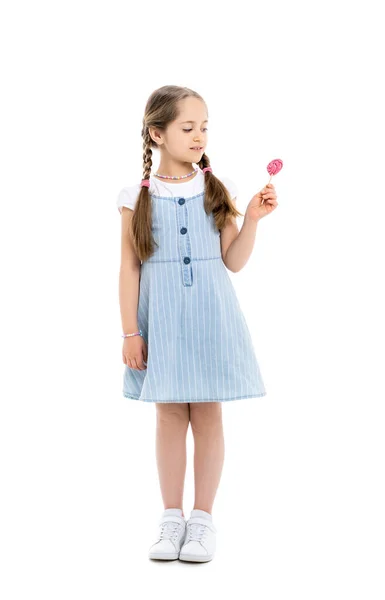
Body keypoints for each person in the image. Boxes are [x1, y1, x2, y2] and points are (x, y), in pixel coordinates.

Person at [116, 85, 278, 562]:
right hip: (162, 320)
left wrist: (251, 219)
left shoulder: (214, 188)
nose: (199, 136)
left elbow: (234, 261)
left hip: (211, 316)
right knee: (168, 414)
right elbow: (129, 268)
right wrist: (131, 331)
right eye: (188, 127)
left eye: (204, 127)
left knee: (207, 412)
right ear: (157, 134)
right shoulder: (134, 197)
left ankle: (203, 521)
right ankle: (171, 519)